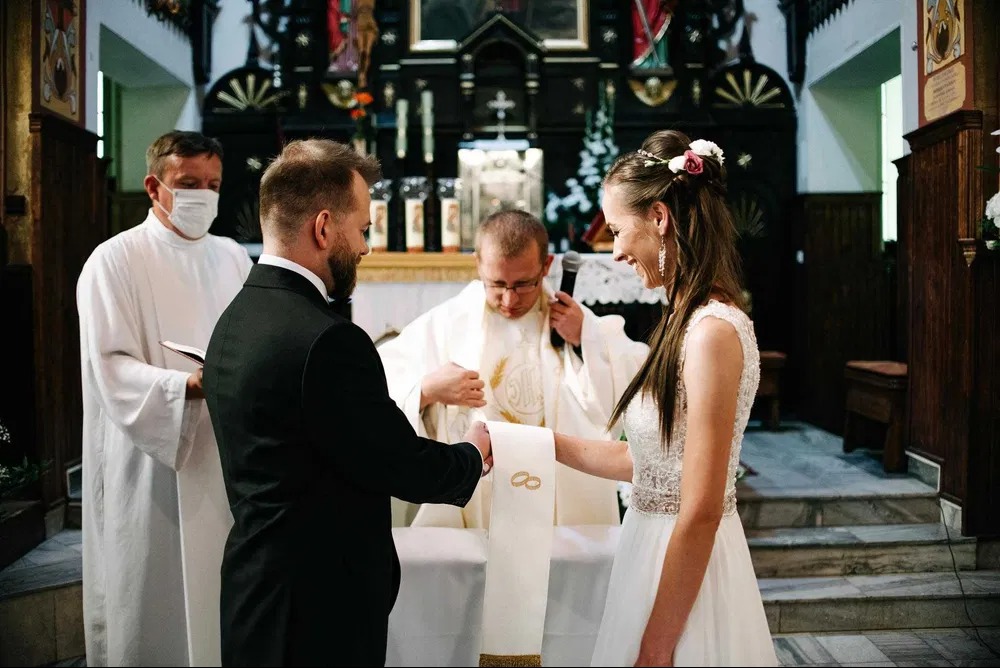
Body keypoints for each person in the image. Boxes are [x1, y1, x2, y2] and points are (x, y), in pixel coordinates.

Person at [201, 138, 491, 667]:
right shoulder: (327, 339)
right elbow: (396, 462)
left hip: (254, 589)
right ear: (323, 227)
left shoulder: (236, 316)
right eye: (362, 229)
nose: (364, 247)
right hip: (318, 609)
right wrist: (472, 453)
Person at [553, 130, 778, 666]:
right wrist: (540, 444)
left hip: (685, 576)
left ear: (659, 217)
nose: (616, 251)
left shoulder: (711, 332)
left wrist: (656, 647)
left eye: (617, 230)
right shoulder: (683, 320)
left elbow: (699, 508)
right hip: (649, 551)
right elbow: (648, 462)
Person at [77, 131, 252, 666]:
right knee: (152, 589)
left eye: (214, 185)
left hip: (222, 455)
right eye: (189, 184)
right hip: (149, 457)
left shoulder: (234, 258)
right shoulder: (114, 260)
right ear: (154, 186)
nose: (204, 195)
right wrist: (185, 387)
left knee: (218, 591)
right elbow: (111, 365)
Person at [378, 210, 648, 528]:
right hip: (476, 508)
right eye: (497, 285)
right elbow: (374, 389)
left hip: (558, 512)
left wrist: (583, 339)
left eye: (523, 285)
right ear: (478, 265)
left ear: (546, 266)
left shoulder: (575, 322)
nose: (509, 300)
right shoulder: (445, 325)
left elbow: (637, 378)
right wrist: (426, 390)